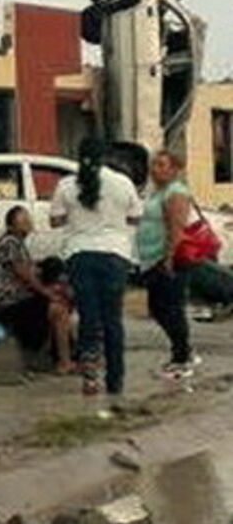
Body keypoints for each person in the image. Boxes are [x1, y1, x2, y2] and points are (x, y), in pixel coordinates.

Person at [50, 137, 144, 397]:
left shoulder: (67, 185)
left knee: (88, 317)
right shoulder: (122, 182)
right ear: (105, 157)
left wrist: (77, 217)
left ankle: (90, 379)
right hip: (115, 255)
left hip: (80, 255)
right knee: (112, 319)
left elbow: (55, 220)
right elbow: (136, 216)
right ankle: (115, 380)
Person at [0, 207, 74, 373]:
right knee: (58, 309)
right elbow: (24, 274)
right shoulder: (11, 242)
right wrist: (47, 293)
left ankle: (65, 357)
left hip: (16, 298)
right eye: (23, 221)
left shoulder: (19, 245)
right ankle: (64, 362)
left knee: (60, 299)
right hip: (7, 301)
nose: (28, 223)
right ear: (11, 226)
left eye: (28, 220)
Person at [137, 151, 199, 379]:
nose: (155, 170)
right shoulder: (157, 192)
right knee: (157, 308)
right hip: (152, 259)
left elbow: (176, 228)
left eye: (162, 165)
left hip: (169, 260)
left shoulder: (176, 192)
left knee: (171, 308)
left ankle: (181, 358)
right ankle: (183, 349)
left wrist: (169, 257)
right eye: (154, 165)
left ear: (174, 169)